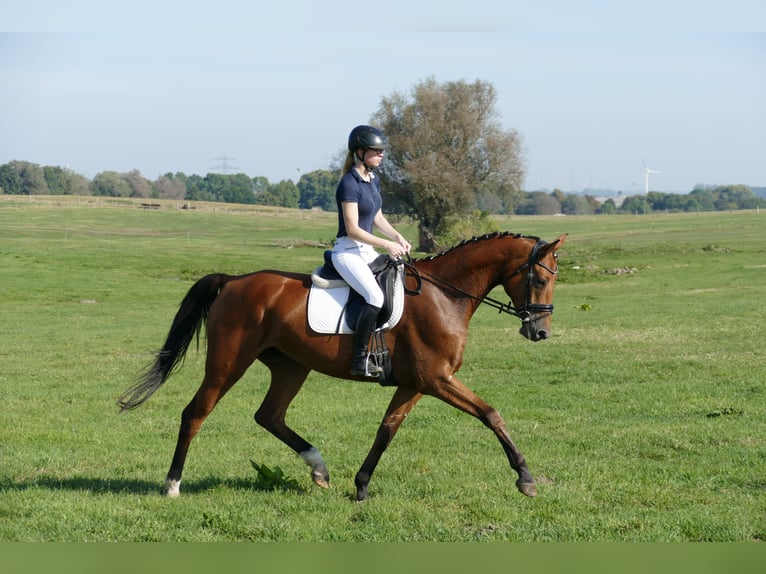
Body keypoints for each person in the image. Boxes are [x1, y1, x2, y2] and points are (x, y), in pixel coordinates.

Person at [331, 125, 411, 377]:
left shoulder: (372, 180)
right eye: (377, 151)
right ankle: (359, 359)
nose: (382, 155)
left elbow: (376, 215)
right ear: (360, 152)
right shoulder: (349, 183)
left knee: (397, 281)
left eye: (382, 151)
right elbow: (353, 228)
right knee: (375, 298)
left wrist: (397, 235)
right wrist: (387, 245)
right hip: (348, 252)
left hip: (366, 251)